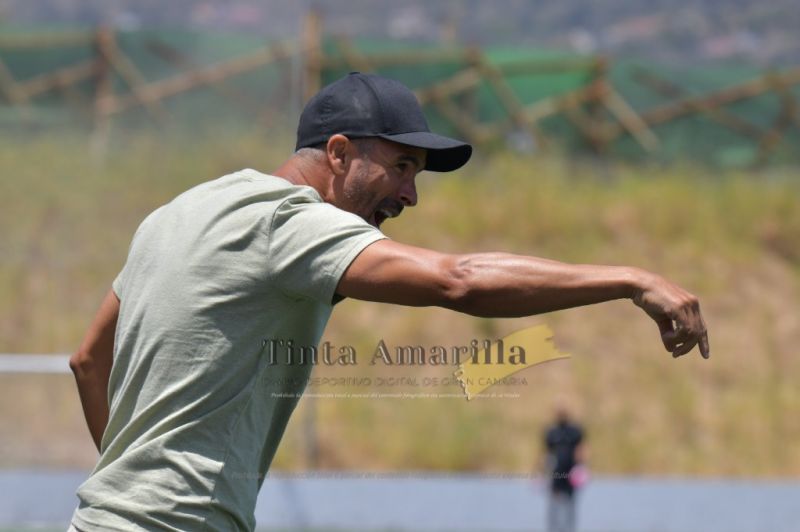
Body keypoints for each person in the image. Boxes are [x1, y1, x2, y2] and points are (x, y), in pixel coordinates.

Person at [68, 72, 710, 531]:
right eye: (401, 167)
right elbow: (458, 280)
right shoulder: (288, 222)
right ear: (340, 153)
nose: (410, 195)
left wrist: (128, 490)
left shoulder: (177, 213)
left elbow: (88, 361)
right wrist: (631, 278)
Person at [544, 408, 585, 532]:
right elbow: (546, 453)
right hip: (556, 475)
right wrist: (541, 471)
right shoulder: (552, 432)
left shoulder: (574, 432)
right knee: (554, 507)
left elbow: (582, 449)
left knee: (570, 507)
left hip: (570, 475)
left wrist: (581, 468)